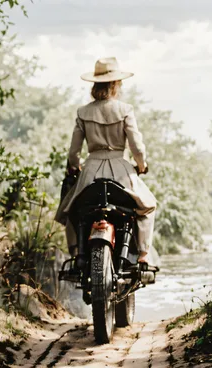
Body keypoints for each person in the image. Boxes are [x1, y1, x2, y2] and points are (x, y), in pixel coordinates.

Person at [54, 57, 157, 265]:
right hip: (121, 171)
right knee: (147, 206)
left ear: (95, 84)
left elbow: (74, 152)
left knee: (72, 207)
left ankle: (76, 253)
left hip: (91, 172)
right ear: (115, 84)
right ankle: (144, 254)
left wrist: (76, 166)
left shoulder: (83, 112)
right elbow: (136, 146)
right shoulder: (125, 110)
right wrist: (142, 165)